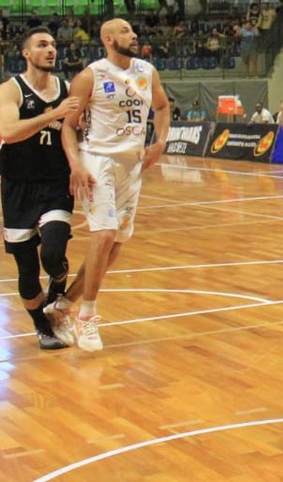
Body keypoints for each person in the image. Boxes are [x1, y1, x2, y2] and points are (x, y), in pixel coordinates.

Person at [45, 19, 169, 352]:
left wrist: (160, 142)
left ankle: (62, 305)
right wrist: (76, 165)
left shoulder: (147, 71)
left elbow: (162, 106)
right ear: (109, 39)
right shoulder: (90, 76)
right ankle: (87, 315)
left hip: (133, 166)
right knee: (103, 234)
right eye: (127, 31)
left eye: (134, 30)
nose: (135, 34)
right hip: (98, 162)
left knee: (116, 244)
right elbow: (68, 127)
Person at [0, 28, 81, 350]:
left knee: (52, 253)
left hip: (55, 183)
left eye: (53, 45)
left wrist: (80, 164)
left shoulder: (68, 89)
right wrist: (53, 115)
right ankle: (42, 327)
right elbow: (8, 131)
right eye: (42, 45)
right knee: (27, 271)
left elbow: (76, 131)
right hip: (18, 186)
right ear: (26, 53)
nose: (51, 50)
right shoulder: (11, 90)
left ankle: (58, 284)